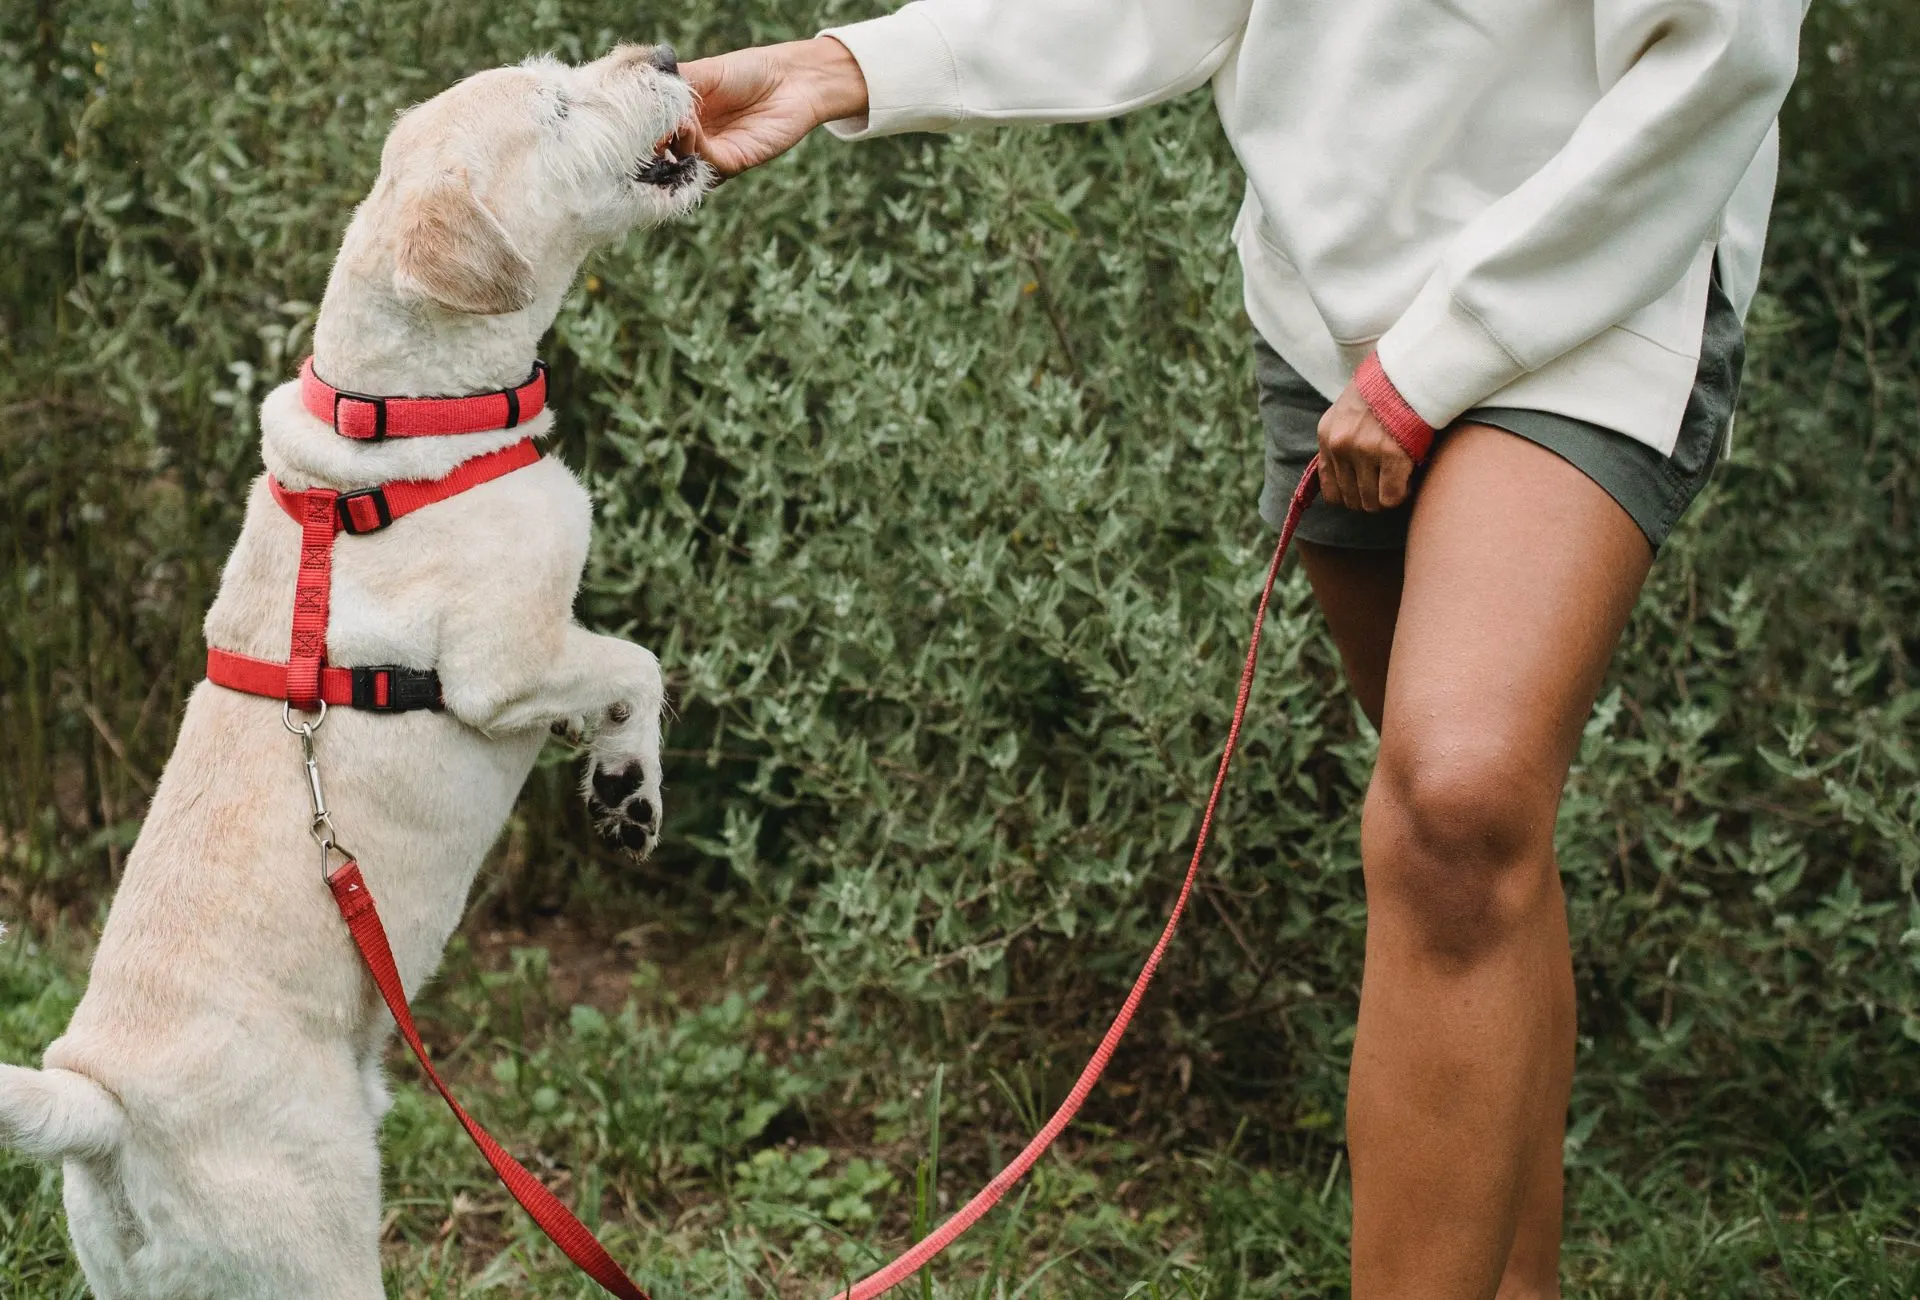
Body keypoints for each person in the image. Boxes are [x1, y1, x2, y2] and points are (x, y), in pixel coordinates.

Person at [678, 3, 1806, 1295]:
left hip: (1593, 283)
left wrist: (1444, 357)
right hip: (1331, 308)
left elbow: (1721, 61)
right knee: (1475, 851)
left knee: (1459, 799)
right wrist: (845, 67)